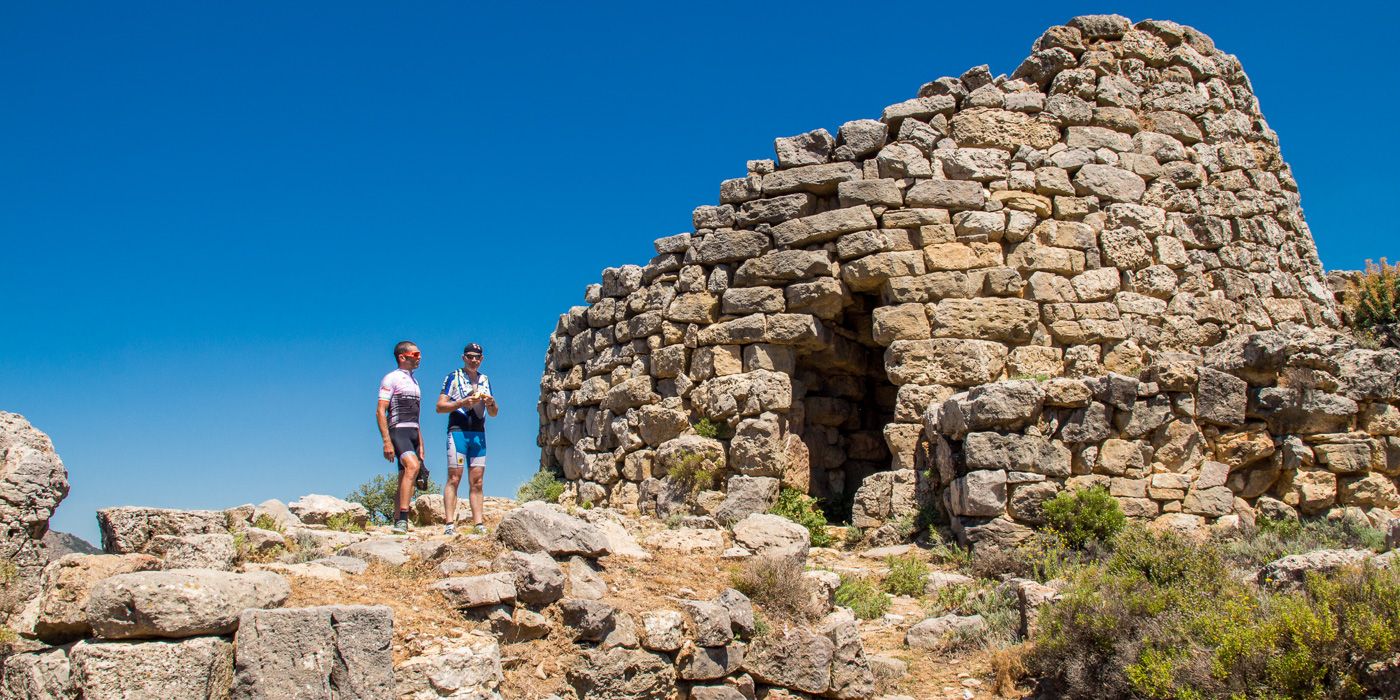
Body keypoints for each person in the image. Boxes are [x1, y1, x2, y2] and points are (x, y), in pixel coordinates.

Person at [436, 342, 497, 536]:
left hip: (478, 434)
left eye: (477, 357)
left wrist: (491, 403)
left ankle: (478, 523)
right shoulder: (453, 376)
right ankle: (449, 524)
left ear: (482, 359)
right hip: (458, 432)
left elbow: (494, 413)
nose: (473, 360)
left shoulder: (485, 379)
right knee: (455, 477)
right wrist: (462, 402)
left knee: (477, 480)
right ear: (463, 357)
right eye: (469, 356)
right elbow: (440, 406)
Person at [377, 340, 424, 534]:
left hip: (413, 431)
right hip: (398, 430)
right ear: (402, 357)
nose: (419, 358)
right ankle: (403, 519)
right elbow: (380, 411)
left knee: (405, 475)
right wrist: (386, 441)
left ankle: (397, 518)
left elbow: (417, 415)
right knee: (412, 467)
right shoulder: (391, 378)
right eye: (415, 354)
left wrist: (421, 443)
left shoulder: (414, 381)